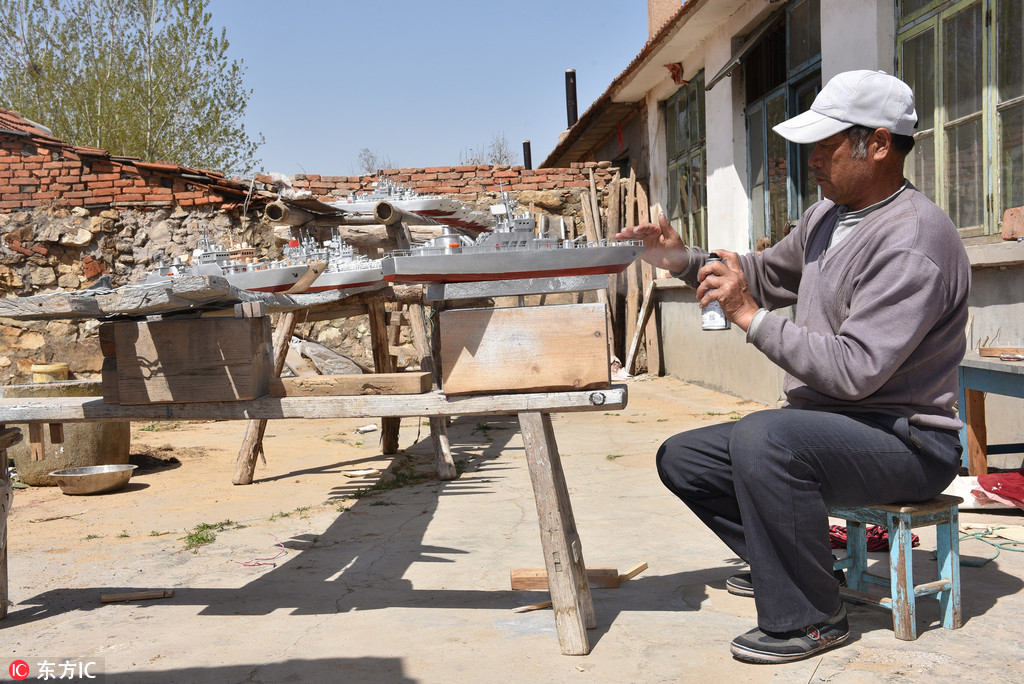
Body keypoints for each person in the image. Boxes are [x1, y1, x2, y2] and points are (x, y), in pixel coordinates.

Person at [616, 70, 970, 664]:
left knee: (767, 438)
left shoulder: (912, 240)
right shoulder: (828, 218)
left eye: (826, 148)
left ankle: (811, 618)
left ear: (879, 145)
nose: (813, 162)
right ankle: (797, 569)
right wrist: (680, 257)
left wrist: (751, 317)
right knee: (687, 458)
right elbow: (760, 274)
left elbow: (857, 370)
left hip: (907, 441)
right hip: (836, 429)